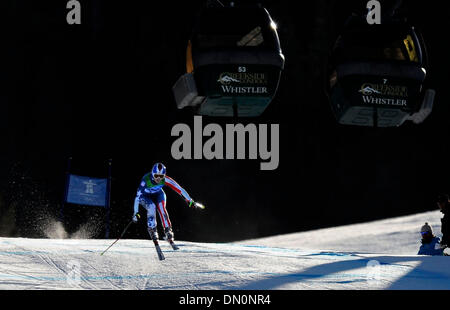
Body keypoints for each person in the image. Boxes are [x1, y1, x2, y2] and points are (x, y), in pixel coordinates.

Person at [132, 162, 200, 245]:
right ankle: (152, 229)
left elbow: (179, 189)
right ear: (152, 174)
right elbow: (137, 197)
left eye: (161, 176)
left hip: (158, 194)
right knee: (152, 207)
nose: (158, 179)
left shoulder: (165, 179)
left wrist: (190, 201)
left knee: (161, 208)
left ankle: (168, 230)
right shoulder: (145, 180)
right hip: (145, 196)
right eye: (156, 175)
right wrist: (136, 212)